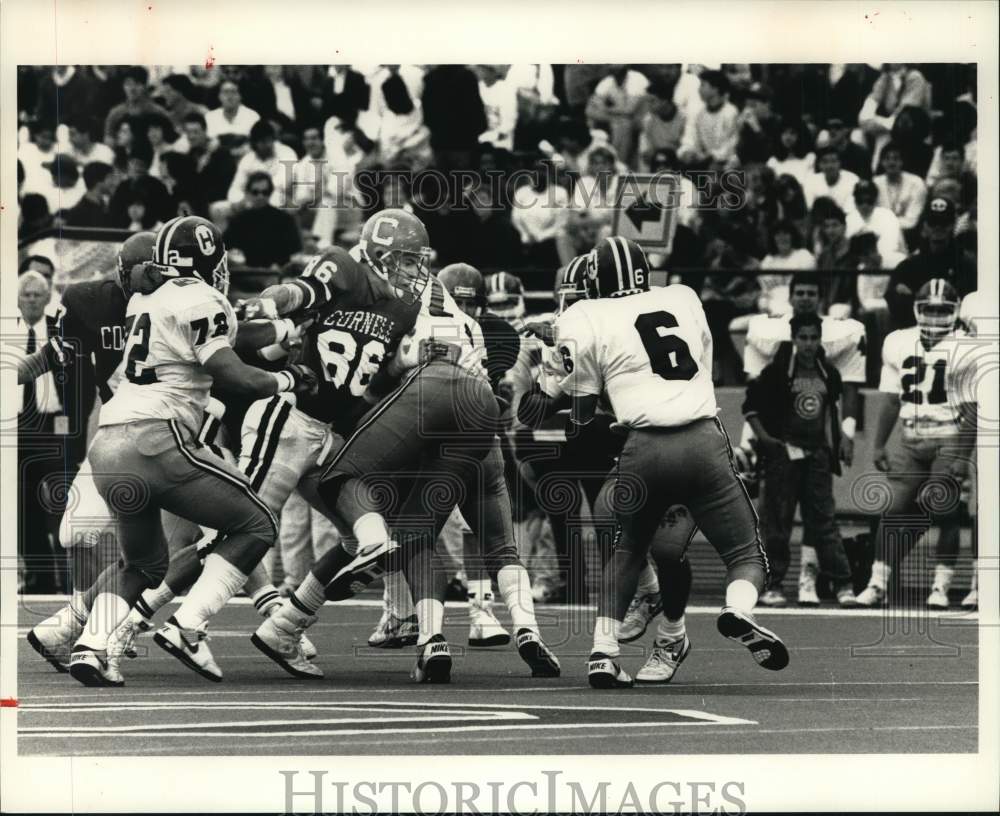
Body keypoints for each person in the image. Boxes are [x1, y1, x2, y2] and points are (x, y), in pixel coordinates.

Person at [65, 215, 317, 687]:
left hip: (110, 443)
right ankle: (189, 627)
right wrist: (287, 379)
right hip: (159, 438)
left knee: (143, 563)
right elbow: (233, 372)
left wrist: (281, 330)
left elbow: (225, 334)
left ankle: (90, 647)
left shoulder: (147, 295)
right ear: (208, 260)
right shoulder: (203, 298)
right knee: (257, 522)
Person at [542, 236, 789, 688]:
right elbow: (701, 364)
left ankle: (604, 650)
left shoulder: (584, 317)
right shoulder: (683, 297)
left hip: (643, 447)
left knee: (629, 550)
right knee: (745, 555)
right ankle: (736, 609)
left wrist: (568, 388)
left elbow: (579, 417)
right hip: (701, 439)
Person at [742, 271, 867, 604]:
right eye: (803, 338)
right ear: (794, 339)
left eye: (814, 338)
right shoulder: (777, 371)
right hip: (784, 454)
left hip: (817, 456)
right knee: (777, 523)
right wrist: (766, 441)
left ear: (820, 339)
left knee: (824, 521)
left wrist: (840, 440)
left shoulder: (830, 372)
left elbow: (834, 409)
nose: (809, 344)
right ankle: (772, 584)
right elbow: (750, 407)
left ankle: (842, 584)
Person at [856, 280, 977, 609]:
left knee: (946, 510)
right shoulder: (898, 342)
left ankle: (940, 586)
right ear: (917, 309)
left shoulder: (965, 347)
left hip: (947, 436)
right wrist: (879, 445)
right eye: (930, 308)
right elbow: (892, 400)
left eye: (942, 309)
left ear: (953, 312)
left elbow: (971, 409)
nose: (936, 315)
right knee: (891, 510)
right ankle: (877, 583)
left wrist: (961, 456)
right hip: (910, 438)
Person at [884, 197, 977, 328]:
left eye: (944, 222)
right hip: (916, 330)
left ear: (952, 224)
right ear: (925, 226)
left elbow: (970, 303)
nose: (938, 228)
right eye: (933, 222)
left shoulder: (967, 264)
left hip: (956, 330)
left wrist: (916, 297)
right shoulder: (908, 266)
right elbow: (895, 305)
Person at [223, 172, 302, 269]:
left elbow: (295, 252)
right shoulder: (238, 220)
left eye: (265, 192)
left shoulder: (284, 220)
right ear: (247, 193)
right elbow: (224, 247)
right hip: (246, 274)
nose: (260, 196)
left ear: (270, 193)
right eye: (255, 192)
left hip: (276, 274)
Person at [226, 120, 298, 208]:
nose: (268, 144)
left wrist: (254, 196)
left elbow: (282, 184)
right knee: (220, 208)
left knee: (274, 199)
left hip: (282, 197)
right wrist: (240, 201)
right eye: (263, 141)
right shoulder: (248, 159)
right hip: (253, 198)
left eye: (270, 140)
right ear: (254, 143)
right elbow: (236, 187)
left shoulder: (287, 153)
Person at [874, 141, 928, 244]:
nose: (891, 163)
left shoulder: (916, 183)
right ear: (881, 162)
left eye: (895, 158)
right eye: (887, 158)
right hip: (880, 235)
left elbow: (911, 222)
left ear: (902, 162)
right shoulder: (875, 183)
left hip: (909, 236)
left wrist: (886, 225)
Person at [103, 66, 172, 146]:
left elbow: (170, 140)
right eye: (128, 84)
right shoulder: (115, 113)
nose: (132, 89)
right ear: (123, 86)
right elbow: (109, 142)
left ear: (145, 86)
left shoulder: (158, 112)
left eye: (137, 84)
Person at [845, 179, 906, 260]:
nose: (864, 205)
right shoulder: (849, 219)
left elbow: (889, 249)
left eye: (869, 201)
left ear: (876, 200)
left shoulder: (887, 216)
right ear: (855, 201)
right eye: (860, 201)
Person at [803, 146, 860, 212]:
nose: (829, 166)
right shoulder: (811, 181)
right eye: (825, 162)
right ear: (819, 165)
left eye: (833, 161)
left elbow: (849, 211)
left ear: (840, 163)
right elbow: (809, 209)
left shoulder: (852, 180)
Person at [62, 161, 115, 228]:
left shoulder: (103, 206)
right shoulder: (80, 213)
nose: (114, 182)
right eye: (110, 177)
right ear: (98, 181)